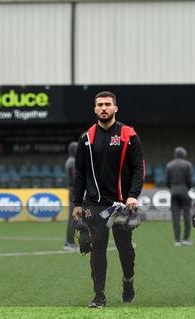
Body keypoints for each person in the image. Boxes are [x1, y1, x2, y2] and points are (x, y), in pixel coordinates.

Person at [72, 91, 144, 307]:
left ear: (115, 108)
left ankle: (128, 279)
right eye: (99, 105)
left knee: (125, 249)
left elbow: (139, 168)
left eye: (107, 104)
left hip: (122, 203)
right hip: (95, 203)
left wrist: (133, 195)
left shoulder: (129, 135)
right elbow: (80, 174)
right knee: (97, 247)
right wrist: (77, 203)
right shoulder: (86, 138)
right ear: (95, 109)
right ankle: (99, 294)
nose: (103, 108)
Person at [166, 147, 194, 247]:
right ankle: (186, 239)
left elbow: (167, 181)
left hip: (173, 192)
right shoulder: (187, 165)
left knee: (175, 217)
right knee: (187, 216)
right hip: (184, 192)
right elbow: (190, 180)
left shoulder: (169, 165)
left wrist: (173, 188)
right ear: (183, 154)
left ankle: (177, 240)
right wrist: (187, 188)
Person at [64, 141, 78, 250]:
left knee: (73, 217)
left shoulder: (69, 161)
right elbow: (75, 179)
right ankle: (69, 242)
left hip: (72, 192)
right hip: (75, 193)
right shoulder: (73, 162)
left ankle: (70, 242)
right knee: (73, 218)